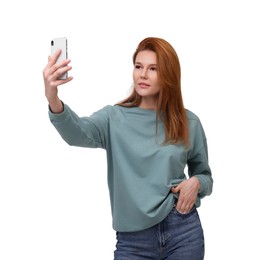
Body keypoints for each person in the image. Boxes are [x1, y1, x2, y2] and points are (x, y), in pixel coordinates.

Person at [43, 37, 213, 260]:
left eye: (153, 69)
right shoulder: (114, 118)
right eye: (138, 66)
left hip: (183, 230)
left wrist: (196, 182)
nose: (142, 74)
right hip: (133, 242)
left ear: (169, 74)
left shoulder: (188, 121)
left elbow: (205, 175)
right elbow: (76, 133)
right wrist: (53, 98)